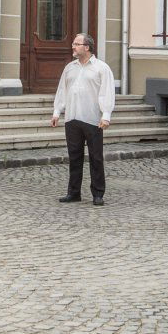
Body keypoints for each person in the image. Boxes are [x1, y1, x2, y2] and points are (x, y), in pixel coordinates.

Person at [50, 34, 115, 207]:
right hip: (72, 118)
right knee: (74, 157)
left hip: (93, 119)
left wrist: (106, 115)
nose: (73, 46)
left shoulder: (101, 68)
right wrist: (57, 111)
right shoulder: (70, 68)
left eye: (76, 44)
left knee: (96, 157)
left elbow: (106, 92)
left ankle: (98, 193)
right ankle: (73, 192)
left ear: (87, 47)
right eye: (73, 43)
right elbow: (62, 90)